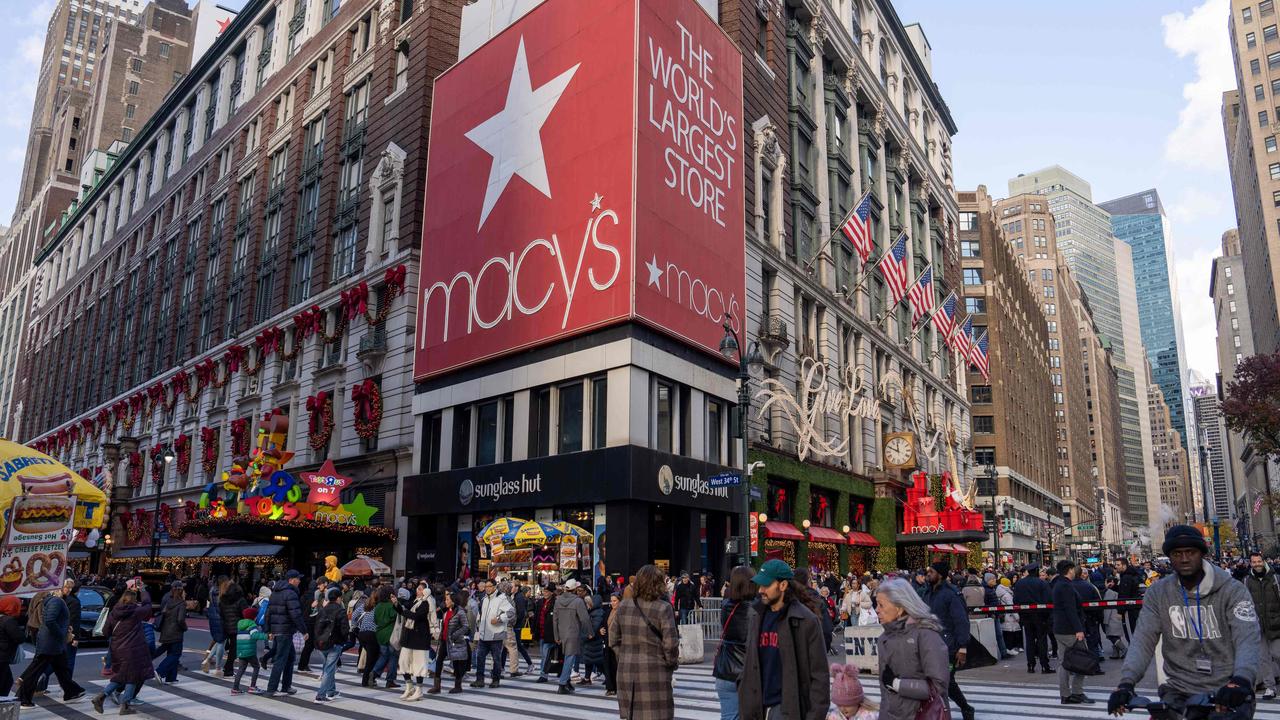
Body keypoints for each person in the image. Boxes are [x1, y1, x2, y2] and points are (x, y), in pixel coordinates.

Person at [1108, 525, 1262, 718]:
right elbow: (1142, 640)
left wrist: (1242, 679)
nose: (1184, 558)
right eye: (1177, 553)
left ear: (1202, 553)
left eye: (1191, 552)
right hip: (1178, 689)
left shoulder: (1233, 590)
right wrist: (1126, 684)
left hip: (1227, 688)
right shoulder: (1158, 593)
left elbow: (1247, 638)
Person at [738, 559, 830, 720]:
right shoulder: (756, 615)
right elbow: (749, 660)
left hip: (787, 708)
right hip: (756, 707)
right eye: (760, 585)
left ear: (783, 585)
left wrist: (814, 716)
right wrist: (742, 689)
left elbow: (819, 675)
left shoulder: (805, 620)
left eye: (766, 585)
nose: (761, 590)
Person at [610, 564, 681, 719]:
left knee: (632, 714)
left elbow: (613, 638)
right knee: (656, 714)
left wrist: (623, 656)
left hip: (627, 671)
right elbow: (671, 643)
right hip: (655, 670)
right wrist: (670, 663)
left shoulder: (623, 606)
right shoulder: (663, 608)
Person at [874, 578, 948, 720]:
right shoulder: (884, 639)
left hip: (924, 714)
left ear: (900, 608)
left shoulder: (926, 635)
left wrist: (898, 684)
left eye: (881, 605)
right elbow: (885, 695)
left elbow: (939, 686)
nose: (876, 610)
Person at [17, 578, 86, 708]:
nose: (68, 590)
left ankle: (72, 692)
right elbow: (49, 620)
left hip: (51, 642)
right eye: (65, 587)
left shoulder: (52, 600)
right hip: (51, 642)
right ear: (57, 589)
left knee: (62, 669)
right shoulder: (56, 601)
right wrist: (61, 634)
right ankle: (23, 698)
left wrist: (64, 629)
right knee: (36, 670)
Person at [921, 562, 974, 720]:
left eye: (931, 571)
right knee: (935, 682)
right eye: (928, 571)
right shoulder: (926, 593)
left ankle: (964, 708)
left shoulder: (951, 594)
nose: (928, 574)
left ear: (941, 575)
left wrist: (963, 647)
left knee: (946, 682)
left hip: (949, 647)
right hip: (929, 645)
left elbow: (961, 621)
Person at [91, 590, 150, 715]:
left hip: (117, 649)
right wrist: (143, 590)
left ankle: (103, 696)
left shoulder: (114, 612)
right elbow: (147, 606)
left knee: (123, 675)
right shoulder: (135, 612)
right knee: (132, 677)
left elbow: (106, 631)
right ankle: (124, 705)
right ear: (134, 600)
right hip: (133, 649)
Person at [714, 566, 756, 720]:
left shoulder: (726, 605)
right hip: (748, 670)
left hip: (725, 668)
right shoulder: (757, 609)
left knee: (729, 716)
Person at [1050, 560, 1093, 705]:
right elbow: (1070, 609)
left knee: (1065, 663)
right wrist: (1078, 629)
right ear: (1069, 570)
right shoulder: (1066, 586)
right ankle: (1077, 692)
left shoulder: (1057, 584)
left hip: (1059, 629)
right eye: (1074, 569)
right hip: (1070, 630)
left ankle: (1065, 695)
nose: (1075, 571)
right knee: (1082, 660)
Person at [265, 569, 309, 696]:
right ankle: (272, 688)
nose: (299, 581)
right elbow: (296, 614)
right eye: (298, 579)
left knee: (290, 658)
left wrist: (268, 630)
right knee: (281, 660)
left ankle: (286, 686)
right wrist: (304, 630)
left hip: (279, 630)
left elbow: (268, 612)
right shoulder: (290, 593)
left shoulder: (275, 593)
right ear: (291, 580)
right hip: (285, 631)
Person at [1244, 551, 1280, 699]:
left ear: (1263, 561)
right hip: (1257, 626)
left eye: (1259, 561)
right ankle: (1270, 687)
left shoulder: (1275, 579)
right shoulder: (1247, 581)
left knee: (1277, 654)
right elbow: (1244, 603)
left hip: (1276, 623)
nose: (1257, 564)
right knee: (1263, 658)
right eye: (1254, 562)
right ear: (1250, 563)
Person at [392, 582, 436, 701]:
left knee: (419, 664)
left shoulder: (427, 603)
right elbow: (405, 610)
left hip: (420, 638)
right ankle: (409, 686)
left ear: (426, 591)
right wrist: (396, 603)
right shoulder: (416, 601)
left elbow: (417, 616)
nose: (418, 591)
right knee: (403, 662)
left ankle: (419, 690)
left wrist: (404, 611)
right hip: (409, 637)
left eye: (421, 589)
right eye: (417, 589)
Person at [427, 590, 471, 695]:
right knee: (439, 662)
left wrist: (455, 635)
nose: (445, 601)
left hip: (455, 642)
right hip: (444, 641)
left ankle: (458, 686)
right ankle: (437, 686)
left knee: (456, 664)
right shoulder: (446, 611)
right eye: (445, 599)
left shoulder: (460, 611)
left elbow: (466, 626)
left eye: (447, 600)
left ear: (453, 601)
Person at [472, 578, 514, 688]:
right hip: (484, 634)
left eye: (489, 586)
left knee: (496, 659)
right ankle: (479, 680)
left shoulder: (501, 598)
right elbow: (481, 613)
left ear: (495, 587)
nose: (487, 588)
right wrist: (478, 623)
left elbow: (511, 612)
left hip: (496, 634)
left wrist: (499, 619)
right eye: (486, 586)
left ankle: (496, 680)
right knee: (480, 657)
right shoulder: (484, 598)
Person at [553, 578, 591, 694]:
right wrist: (590, 632)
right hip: (573, 632)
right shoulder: (578, 601)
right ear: (574, 589)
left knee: (567, 658)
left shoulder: (558, 600)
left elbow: (555, 619)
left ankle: (567, 682)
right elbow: (584, 618)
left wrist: (556, 635)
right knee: (570, 659)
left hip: (562, 632)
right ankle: (562, 683)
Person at [1013, 563, 1052, 674]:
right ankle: (1044, 665)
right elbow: (1048, 599)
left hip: (1025, 615)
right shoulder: (1042, 583)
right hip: (1040, 615)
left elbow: (1015, 600)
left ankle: (1030, 665)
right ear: (1036, 571)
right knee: (1042, 639)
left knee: (1029, 640)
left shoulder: (1020, 583)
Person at [313, 587, 348, 703]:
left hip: (321, 642)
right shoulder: (340, 610)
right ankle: (320, 695)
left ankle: (331, 691)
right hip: (335, 642)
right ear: (338, 598)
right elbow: (345, 629)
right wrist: (343, 641)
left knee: (329, 667)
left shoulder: (323, 609)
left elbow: (317, 626)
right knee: (328, 669)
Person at [153, 582, 188, 684]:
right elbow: (180, 619)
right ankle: (160, 671)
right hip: (176, 632)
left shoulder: (167, 600)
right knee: (175, 654)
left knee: (171, 653)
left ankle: (171, 677)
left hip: (166, 630)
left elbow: (163, 613)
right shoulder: (181, 604)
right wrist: (185, 627)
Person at [231, 606, 268, 695]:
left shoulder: (240, 624)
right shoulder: (252, 624)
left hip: (241, 651)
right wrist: (266, 636)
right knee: (256, 667)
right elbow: (254, 635)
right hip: (250, 651)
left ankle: (235, 688)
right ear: (253, 617)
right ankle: (252, 686)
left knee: (241, 669)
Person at [369, 586, 401, 689]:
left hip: (380, 634)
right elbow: (397, 615)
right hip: (390, 634)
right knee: (393, 657)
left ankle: (374, 673)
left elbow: (375, 620)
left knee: (383, 655)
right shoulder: (391, 606)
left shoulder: (378, 606)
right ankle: (390, 680)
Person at [353, 589, 382, 687]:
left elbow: (354, 615)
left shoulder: (366, 604)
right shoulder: (379, 606)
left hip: (362, 633)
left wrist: (355, 626)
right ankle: (367, 680)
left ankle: (367, 679)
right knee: (373, 658)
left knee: (371, 657)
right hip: (372, 634)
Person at [532, 585, 558, 683]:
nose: (545, 593)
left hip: (550, 632)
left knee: (545, 654)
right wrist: (534, 630)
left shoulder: (555, 602)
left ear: (551, 592)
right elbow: (536, 617)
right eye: (544, 591)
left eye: (547, 591)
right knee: (544, 654)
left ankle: (543, 674)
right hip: (541, 632)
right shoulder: (540, 602)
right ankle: (545, 673)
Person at [580, 591, 607, 685]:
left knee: (598, 662)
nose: (586, 605)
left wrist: (585, 635)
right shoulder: (592, 612)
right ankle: (587, 679)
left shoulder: (597, 613)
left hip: (595, 641)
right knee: (589, 661)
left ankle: (609, 678)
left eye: (588, 603)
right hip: (592, 641)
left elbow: (593, 628)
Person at [0, 595, 23, 697]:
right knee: (4, 683)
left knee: (7, 681)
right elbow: (19, 638)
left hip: (2, 656)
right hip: (2, 656)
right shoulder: (8, 621)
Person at [1114, 558, 1143, 638]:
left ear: (1124, 565)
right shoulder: (1134, 574)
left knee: (1132, 632)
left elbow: (1123, 594)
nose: (1116, 566)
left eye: (1118, 565)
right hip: (1137, 607)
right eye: (1116, 564)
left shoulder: (1126, 577)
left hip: (1131, 609)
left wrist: (1120, 612)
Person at [603, 591, 620, 697]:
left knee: (617, 666)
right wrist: (601, 630)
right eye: (611, 601)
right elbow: (603, 624)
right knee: (608, 666)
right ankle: (610, 687)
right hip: (607, 642)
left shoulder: (622, 612)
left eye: (615, 601)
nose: (613, 603)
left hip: (617, 643)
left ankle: (618, 687)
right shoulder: (608, 612)